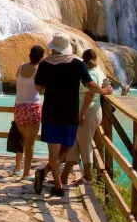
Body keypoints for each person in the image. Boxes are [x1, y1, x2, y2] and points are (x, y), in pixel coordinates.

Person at [33, 33, 103, 198]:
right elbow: (89, 84)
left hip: (51, 111)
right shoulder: (77, 63)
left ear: (53, 48)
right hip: (70, 112)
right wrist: (104, 91)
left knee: (53, 150)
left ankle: (56, 183)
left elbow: (38, 87)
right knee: (68, 147)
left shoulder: (45, 64)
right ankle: (52, 178)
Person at [60, 49, 114, 185]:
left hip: (87, 111)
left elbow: (90, 94)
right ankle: (64, 176)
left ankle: (88, 176)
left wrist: (82, 113)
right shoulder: (97, 71)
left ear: (83, 59)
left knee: (84, 143)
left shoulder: (91, 73)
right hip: (87, 110)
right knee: (75, 143)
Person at [13, 45, 45, 179]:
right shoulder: (39, 70)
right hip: (32, 106)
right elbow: (41, 88)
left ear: (29, 55)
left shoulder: (20, 67)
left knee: (21, 138)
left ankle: (17, 167)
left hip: (19, 107)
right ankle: (26, 173)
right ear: (41, 57)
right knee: (30, 142)